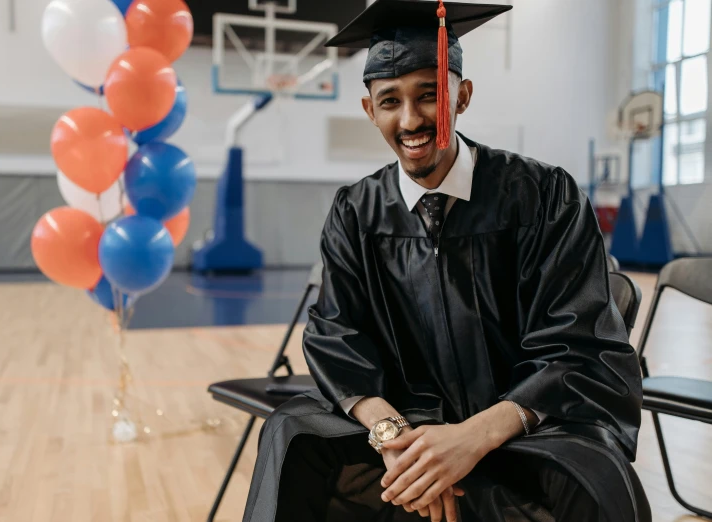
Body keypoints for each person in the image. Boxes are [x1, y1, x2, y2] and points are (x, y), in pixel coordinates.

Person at [242, 1, 651, 521]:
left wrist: (468, 439)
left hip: (528, 424)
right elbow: (337, 334)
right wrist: (397, 439)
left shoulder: (544, 195)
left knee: (595, 478)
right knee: (293, 434)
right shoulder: (356, 212)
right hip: (406, 417)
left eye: (429, 95)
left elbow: (579, 342)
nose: (410, 120)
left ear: (462, 96)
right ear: (370, 111)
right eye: (390, 100)